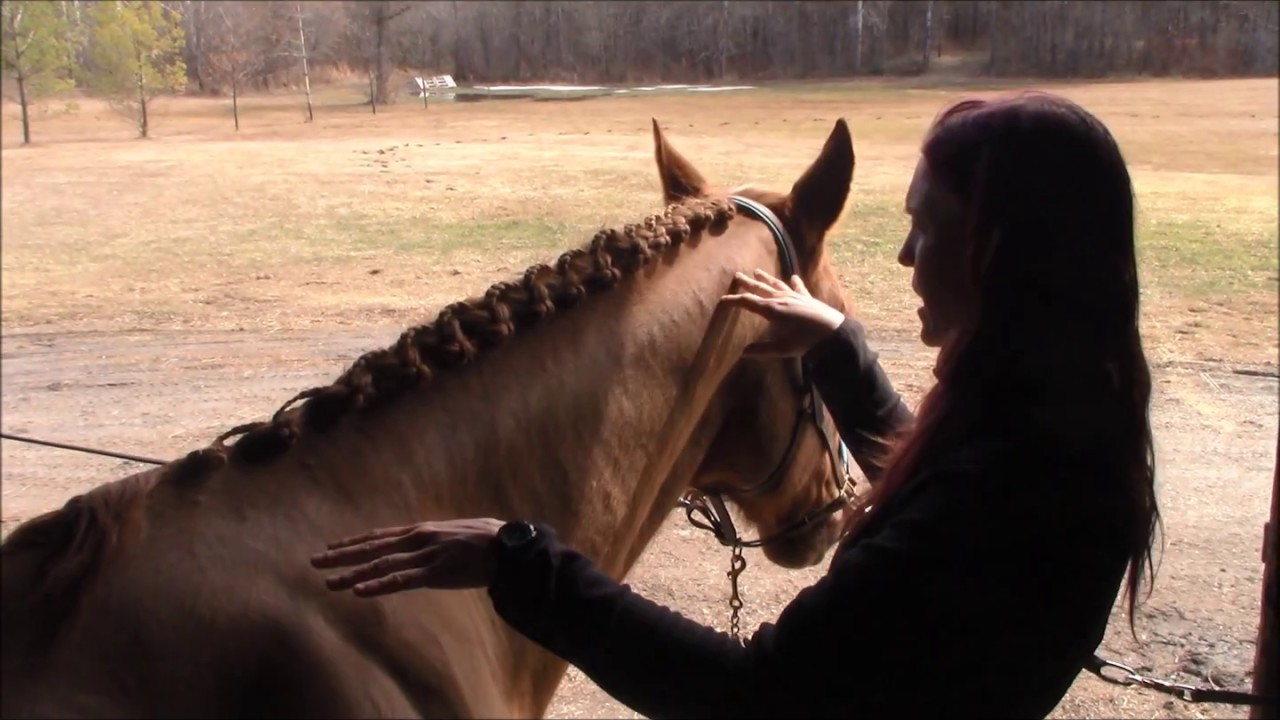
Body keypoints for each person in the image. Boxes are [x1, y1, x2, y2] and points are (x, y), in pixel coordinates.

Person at [311, 91, 1162, 718]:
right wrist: (836, 343)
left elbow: (755, 696)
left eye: (926, 227)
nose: (905, 256)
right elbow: (937, 483)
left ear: (996, 251)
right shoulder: (1061, 428)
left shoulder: (1006, 492)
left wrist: (520, 560)